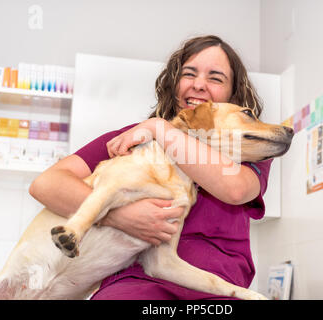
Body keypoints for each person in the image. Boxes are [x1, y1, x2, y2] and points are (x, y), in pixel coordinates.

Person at [29, 35, 273, 300]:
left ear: (232, 95)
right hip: (134, 286)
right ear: (174, 82)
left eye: (215, 78)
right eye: (188, 74)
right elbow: (46, 184)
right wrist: (117, 215)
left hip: (218, 289)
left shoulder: (249, 147)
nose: (199, 85)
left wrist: (159, 127)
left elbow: (235, 190)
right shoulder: (131, 140)